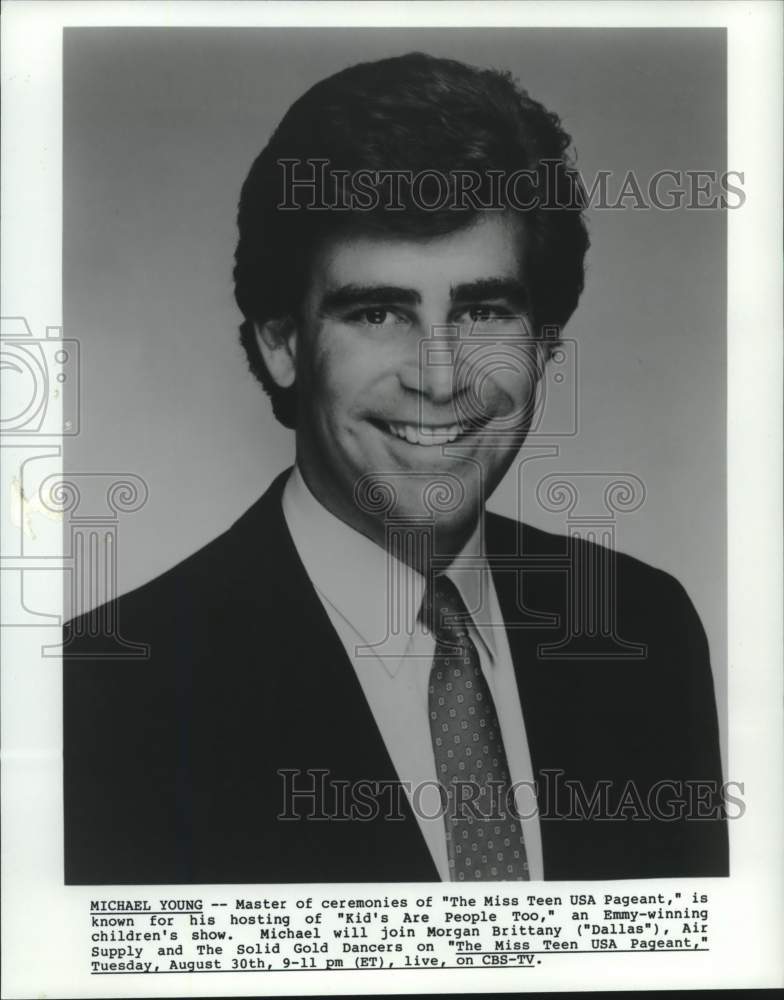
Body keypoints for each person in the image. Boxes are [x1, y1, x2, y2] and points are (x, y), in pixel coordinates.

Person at [63, 52, 728, 884]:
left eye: (483, 310)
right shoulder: (110, 694)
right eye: (378, 312)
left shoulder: (645, 631)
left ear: (543, 344)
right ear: (282, 342)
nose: (440, 378)